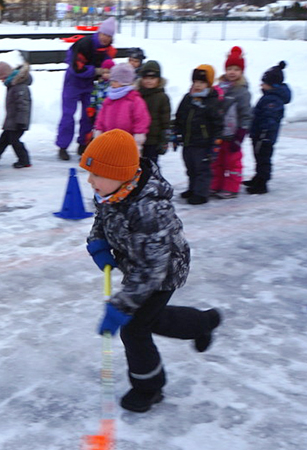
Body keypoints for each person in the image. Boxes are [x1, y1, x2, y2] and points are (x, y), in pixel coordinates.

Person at [80, 129, 222, 413]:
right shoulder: (113, 191)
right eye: (89, 173)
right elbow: (103, 217)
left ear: (121, 174)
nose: (90, 180)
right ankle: (201, 323)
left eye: (97, 174)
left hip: (163, 273)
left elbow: (152, 270)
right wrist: (98, 242)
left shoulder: (149, 210)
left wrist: (120, 306)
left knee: (133, 330)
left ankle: (149, 388)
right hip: (137, 266)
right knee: (151, 321)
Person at [56, 17, 117, 160]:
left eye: (109, 36)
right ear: (99, 32)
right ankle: (63, 146)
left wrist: (106, 75)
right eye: (104, 34)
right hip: (73, 82)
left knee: (89, 115)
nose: (105, 38)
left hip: (89, 85)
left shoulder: (108, 50)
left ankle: (84, 144)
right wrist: (97, 71)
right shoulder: (84, 44)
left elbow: (106, 67)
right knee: (68, 115)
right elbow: (77, 68)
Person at [172, 65, 223, 205]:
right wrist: (176, 131)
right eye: (195, 82)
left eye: (202, 82)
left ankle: (201, 193)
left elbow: (218, 124)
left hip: (203, 143)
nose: (198, 85)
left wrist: (215, 143)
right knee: (191, 168)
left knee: (202, 170)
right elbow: (179, 116)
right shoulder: (188, 98)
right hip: (188, 141)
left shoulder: (212, 101)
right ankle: (193, 188)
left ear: (209, 84)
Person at [245, 61, 293, 195]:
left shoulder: (273, 100)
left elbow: (270, 118)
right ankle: (258, 177)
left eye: (264, 83)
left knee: (263, 159)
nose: (261, 85)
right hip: (259, 134)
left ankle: (262, 183)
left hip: (264, 136)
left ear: (272, 85)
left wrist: (264, 133)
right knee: (259, 158)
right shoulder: (269, 97)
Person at [211, 46, 252, 198]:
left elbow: (246, 114)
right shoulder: (218, 88)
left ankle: (232, 187)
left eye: (236, 69)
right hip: (218, 133)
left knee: (233, 163)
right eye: (229, 69)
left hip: (233, 135)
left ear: (241, 72)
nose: (232, 72)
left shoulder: (242, 91)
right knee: (216, 162)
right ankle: (215, 185)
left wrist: (241, 133)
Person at [92, 62, 150, 149]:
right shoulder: (110, 98)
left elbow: (141, 118)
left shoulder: (134, 100)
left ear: (124, 82)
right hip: (109, 139)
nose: (112, 83)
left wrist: (138, 135)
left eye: (115, 81)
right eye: (112, 80)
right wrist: (99, 129)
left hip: (128, 142)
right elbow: (101, 116)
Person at [0, 60, 32, 169]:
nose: (2, 81)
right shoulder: (13, 85)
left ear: (7, 76)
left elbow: (23, 106)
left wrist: (21, 121)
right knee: (3, 140)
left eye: (2, 78)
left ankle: (24, 160)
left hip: (18, 122)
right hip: (11, 121)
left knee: (15, 141)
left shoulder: (20, 87)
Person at [136, 60, 171, 164]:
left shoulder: (162, 97)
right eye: (146, 78)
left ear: (158, 80)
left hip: (153, 140)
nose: (149, 81)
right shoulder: (136, 95)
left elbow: (165, 119)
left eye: (152, 78)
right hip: (137, 138)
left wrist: (164, 139)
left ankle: (153, 179)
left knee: (151, 165)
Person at [88, 59, 116, 128]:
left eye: (108, 72)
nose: (106, 75)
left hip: (111, 113)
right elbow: (93, 96)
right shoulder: (98, 85)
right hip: (99, 112)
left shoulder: (115, 85)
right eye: (104, 72)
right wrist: (91, 107)